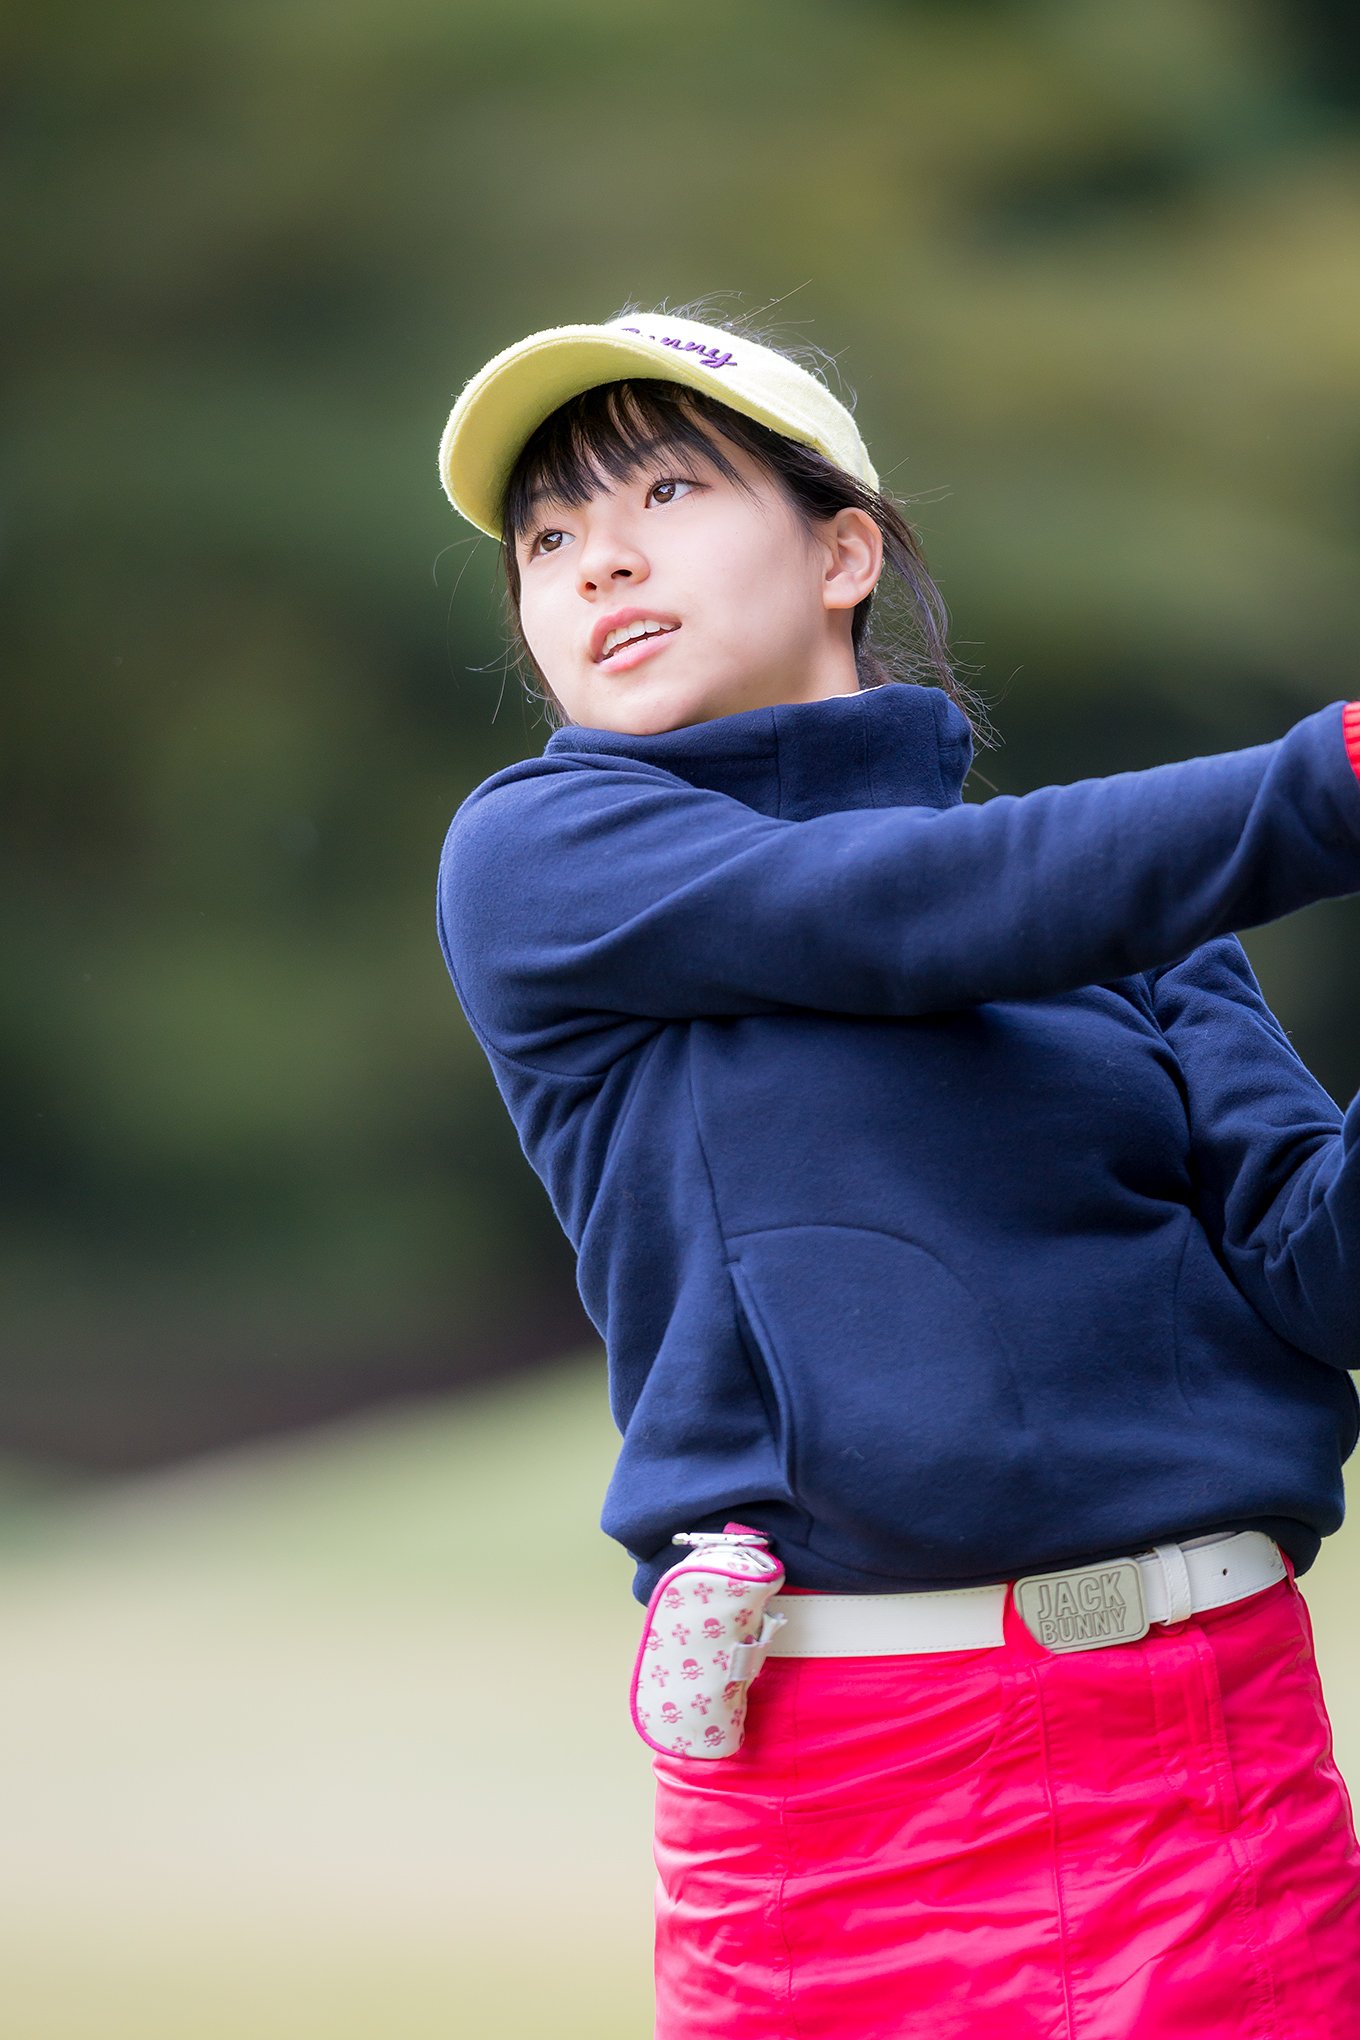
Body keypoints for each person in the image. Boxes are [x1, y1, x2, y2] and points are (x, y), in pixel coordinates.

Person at [433, 306, 1360, 2038]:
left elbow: (1323, 1276)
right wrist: (1331, 782)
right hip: (841, 1817)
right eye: (548, 539)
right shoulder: (541, 862)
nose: (598, 558)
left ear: (844, 548)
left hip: (1216, 1766)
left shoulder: (1145, 928)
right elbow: (912, 913)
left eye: (670, 488)